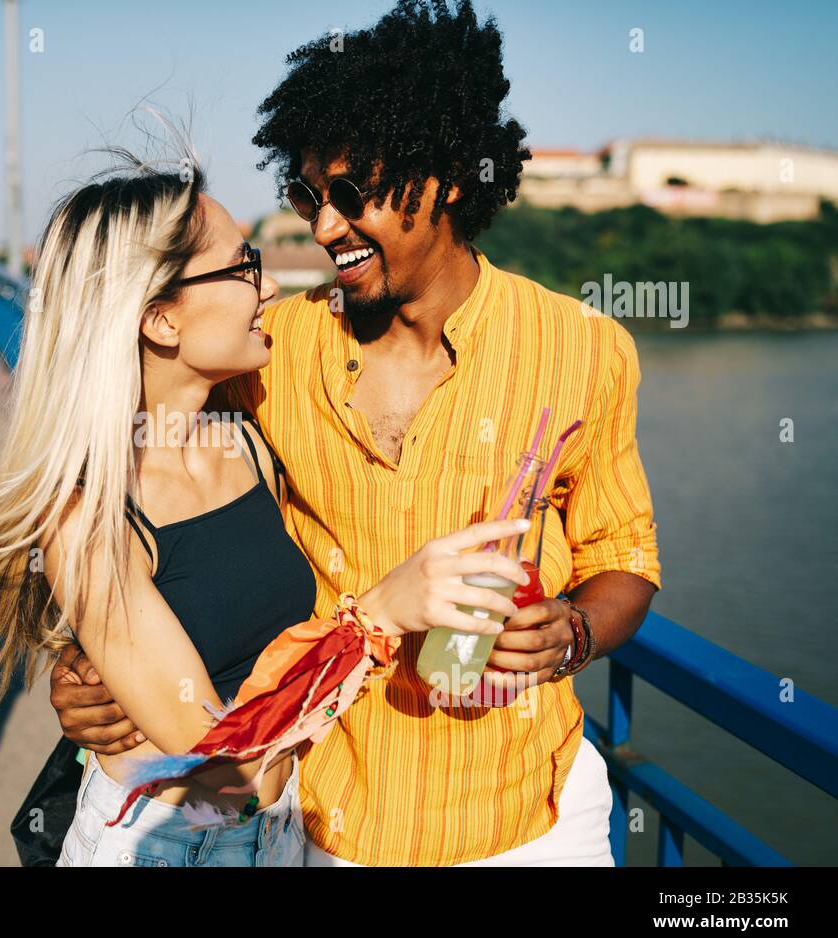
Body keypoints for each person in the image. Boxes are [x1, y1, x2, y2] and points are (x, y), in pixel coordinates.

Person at [51, 0, 662, 867]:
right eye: (307, 194)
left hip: (528, 821)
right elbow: (140, 485)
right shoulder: (270, 353)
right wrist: (94, 662)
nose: (323, 224)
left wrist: (571, 632)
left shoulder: (586, 347)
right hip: (314, 818)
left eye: (351, 192)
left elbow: (625, 554)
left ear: (448, 175)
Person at [0, 144, 532, 867]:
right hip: (164, 843)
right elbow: (216, 758)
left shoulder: (246, 440)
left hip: (279, 831)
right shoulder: (87, 514)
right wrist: (379, 615)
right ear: (162, 321)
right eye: (244, 267)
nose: (270, 286)